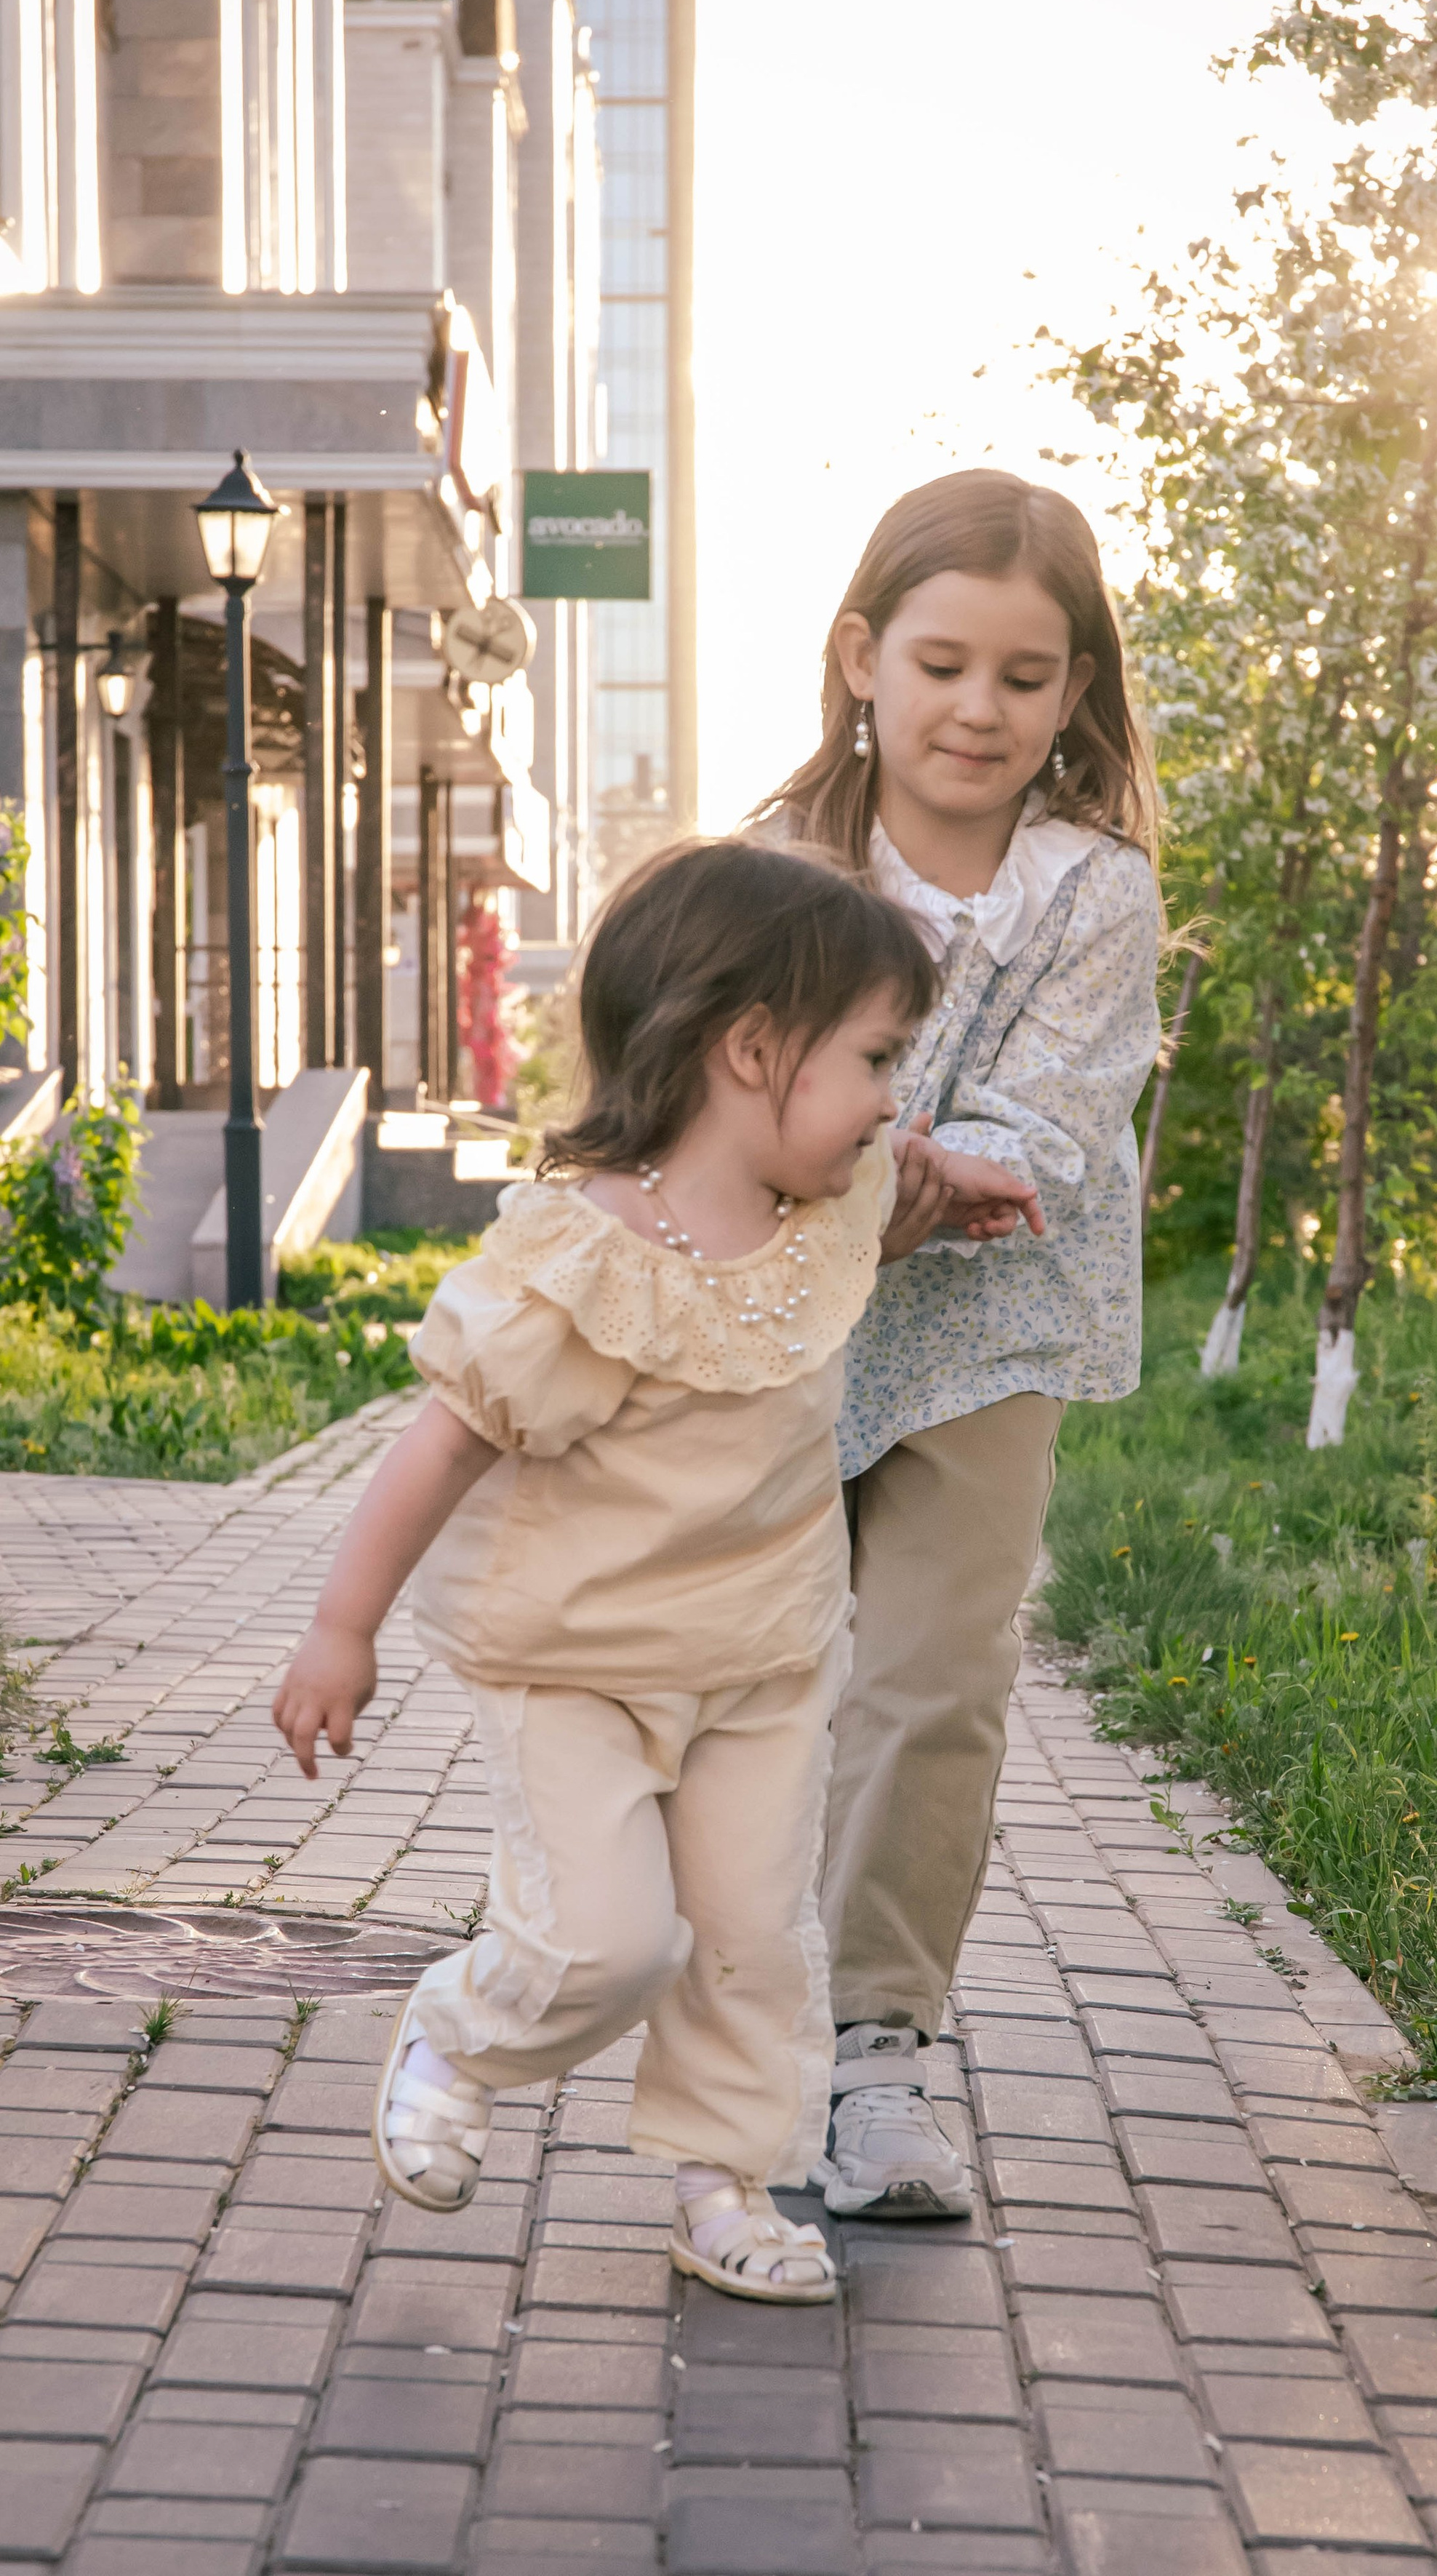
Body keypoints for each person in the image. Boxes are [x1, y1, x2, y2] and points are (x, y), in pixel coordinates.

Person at [270, 841, 1041, 2305]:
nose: (892, 1094)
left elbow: (898, 1180)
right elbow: (439, 1448)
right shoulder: (581, 1262)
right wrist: (337, 1628)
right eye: (876, 1055)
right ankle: (458, 2034)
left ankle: (721, 2183)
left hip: (761, 1658)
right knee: (609, 1941)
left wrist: (953, 1184)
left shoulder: (830, 1209)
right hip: (575, 1663)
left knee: (752, 1939)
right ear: (753, 1050)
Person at [750, 468, 1161, 2221]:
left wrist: (917, 1167)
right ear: (862, 658)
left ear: (1071, 692)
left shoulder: (1094, 893)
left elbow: (1053, 1109)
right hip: (771, 1317)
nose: (975, 708)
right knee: (742, 1675)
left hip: (984, 1330)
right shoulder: (772, 868)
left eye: (1020, 673)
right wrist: (852, 1173)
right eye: (939, 664)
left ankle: (877, 2053)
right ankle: (709, 2004)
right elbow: (726, 1084)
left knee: (934, 1678)